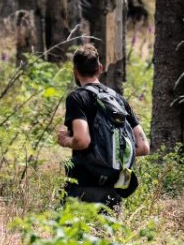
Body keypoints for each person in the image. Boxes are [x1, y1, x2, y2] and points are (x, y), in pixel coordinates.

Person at [57, 44, 150, 206]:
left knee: (72, 231)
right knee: (107, 231)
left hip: (84, 187)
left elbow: (82, 140)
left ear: (75, 71)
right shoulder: (119, 100)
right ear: (100, 68)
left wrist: (66, 141)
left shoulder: (77, 98)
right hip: (115, 189)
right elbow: (143, 147)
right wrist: (113, 153)